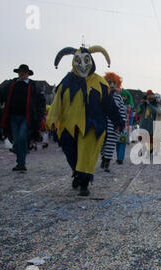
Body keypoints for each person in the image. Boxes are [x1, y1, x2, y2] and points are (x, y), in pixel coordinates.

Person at [46, 45, 123, 196]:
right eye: (78, 61)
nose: (83, 64)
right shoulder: (67, 82)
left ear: (92, 61)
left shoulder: (100, 83)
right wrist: (53, 120)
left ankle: (84, 182)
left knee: (86, 154)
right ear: (74, 62)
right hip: (69, 126)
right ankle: (77, 173)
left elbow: (109, 105)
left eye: (86, 60)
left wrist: (117, 121)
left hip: (93, 125)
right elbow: (57, 103)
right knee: (71, 153)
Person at [0, 64, 45, 172]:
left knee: (21, 137)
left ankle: (21, 163)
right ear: (18, 73)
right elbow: (0, 93)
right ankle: (20, 162)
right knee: (16, 139)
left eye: (24, 72)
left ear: (28, 74)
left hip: (27, 117)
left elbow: (41, 101)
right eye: (21, 72)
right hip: (13, 116)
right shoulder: (12, 84)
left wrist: (39, 115)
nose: (22, 73)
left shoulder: (33, 86)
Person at [101, 72, 127, 171]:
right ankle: (103, 158)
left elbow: (122, 111)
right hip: (103, 124)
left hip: (113, 125)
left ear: (117, 84)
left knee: (110, 144)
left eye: (114, 83)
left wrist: (121, 124)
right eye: (109, 82)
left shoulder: (119, 97)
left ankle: (107, 162)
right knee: (102, 144)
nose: (111, 85)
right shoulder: (102, 95)